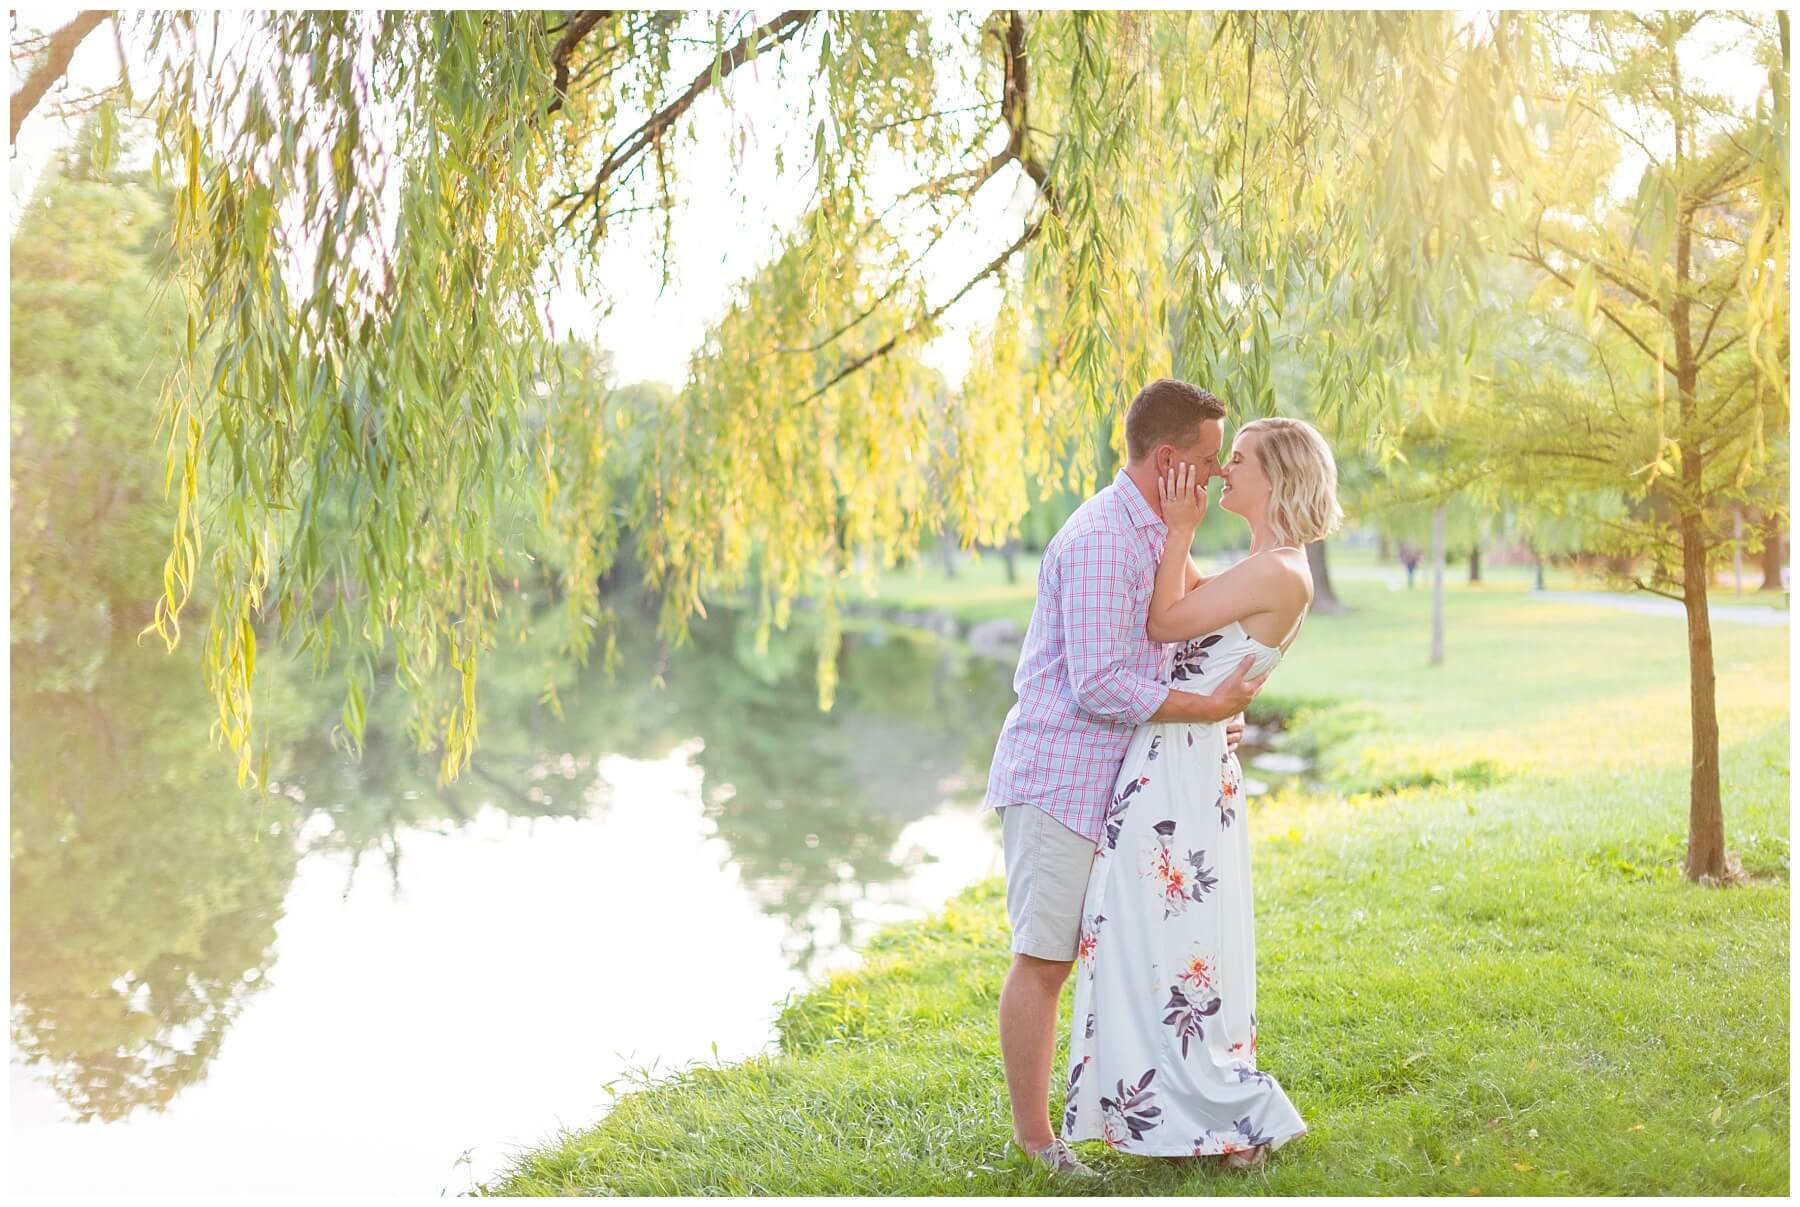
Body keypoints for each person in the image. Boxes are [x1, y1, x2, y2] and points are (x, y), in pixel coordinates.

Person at [983, 378, 1268, 1178]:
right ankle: (1038, 1143)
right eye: (1210, 460)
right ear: (1169, 458)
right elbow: (1102, 682)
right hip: (1060, 780)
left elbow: (1189, 623)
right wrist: (1204, 706)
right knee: (1045, 958)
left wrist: (1220, 704)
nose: (1217, 476)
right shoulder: (1107, 538)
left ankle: (1176, 1113)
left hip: (1118, 786)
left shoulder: (1157, 529)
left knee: (1138, 953)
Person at [1060, 416, 1341, 1169]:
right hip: (1180, 761)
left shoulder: (1278, 569)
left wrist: (1178, 526)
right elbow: (1190, 604)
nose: (1222, 473)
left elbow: (1164, 620)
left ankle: (1234, 1112)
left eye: (1237, 461)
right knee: (1155, 938)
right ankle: (1191, 1112)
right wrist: (1173, 522)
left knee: (1155, 936)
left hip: (1179, 773)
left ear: (1278, 478)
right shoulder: (1269, 563)